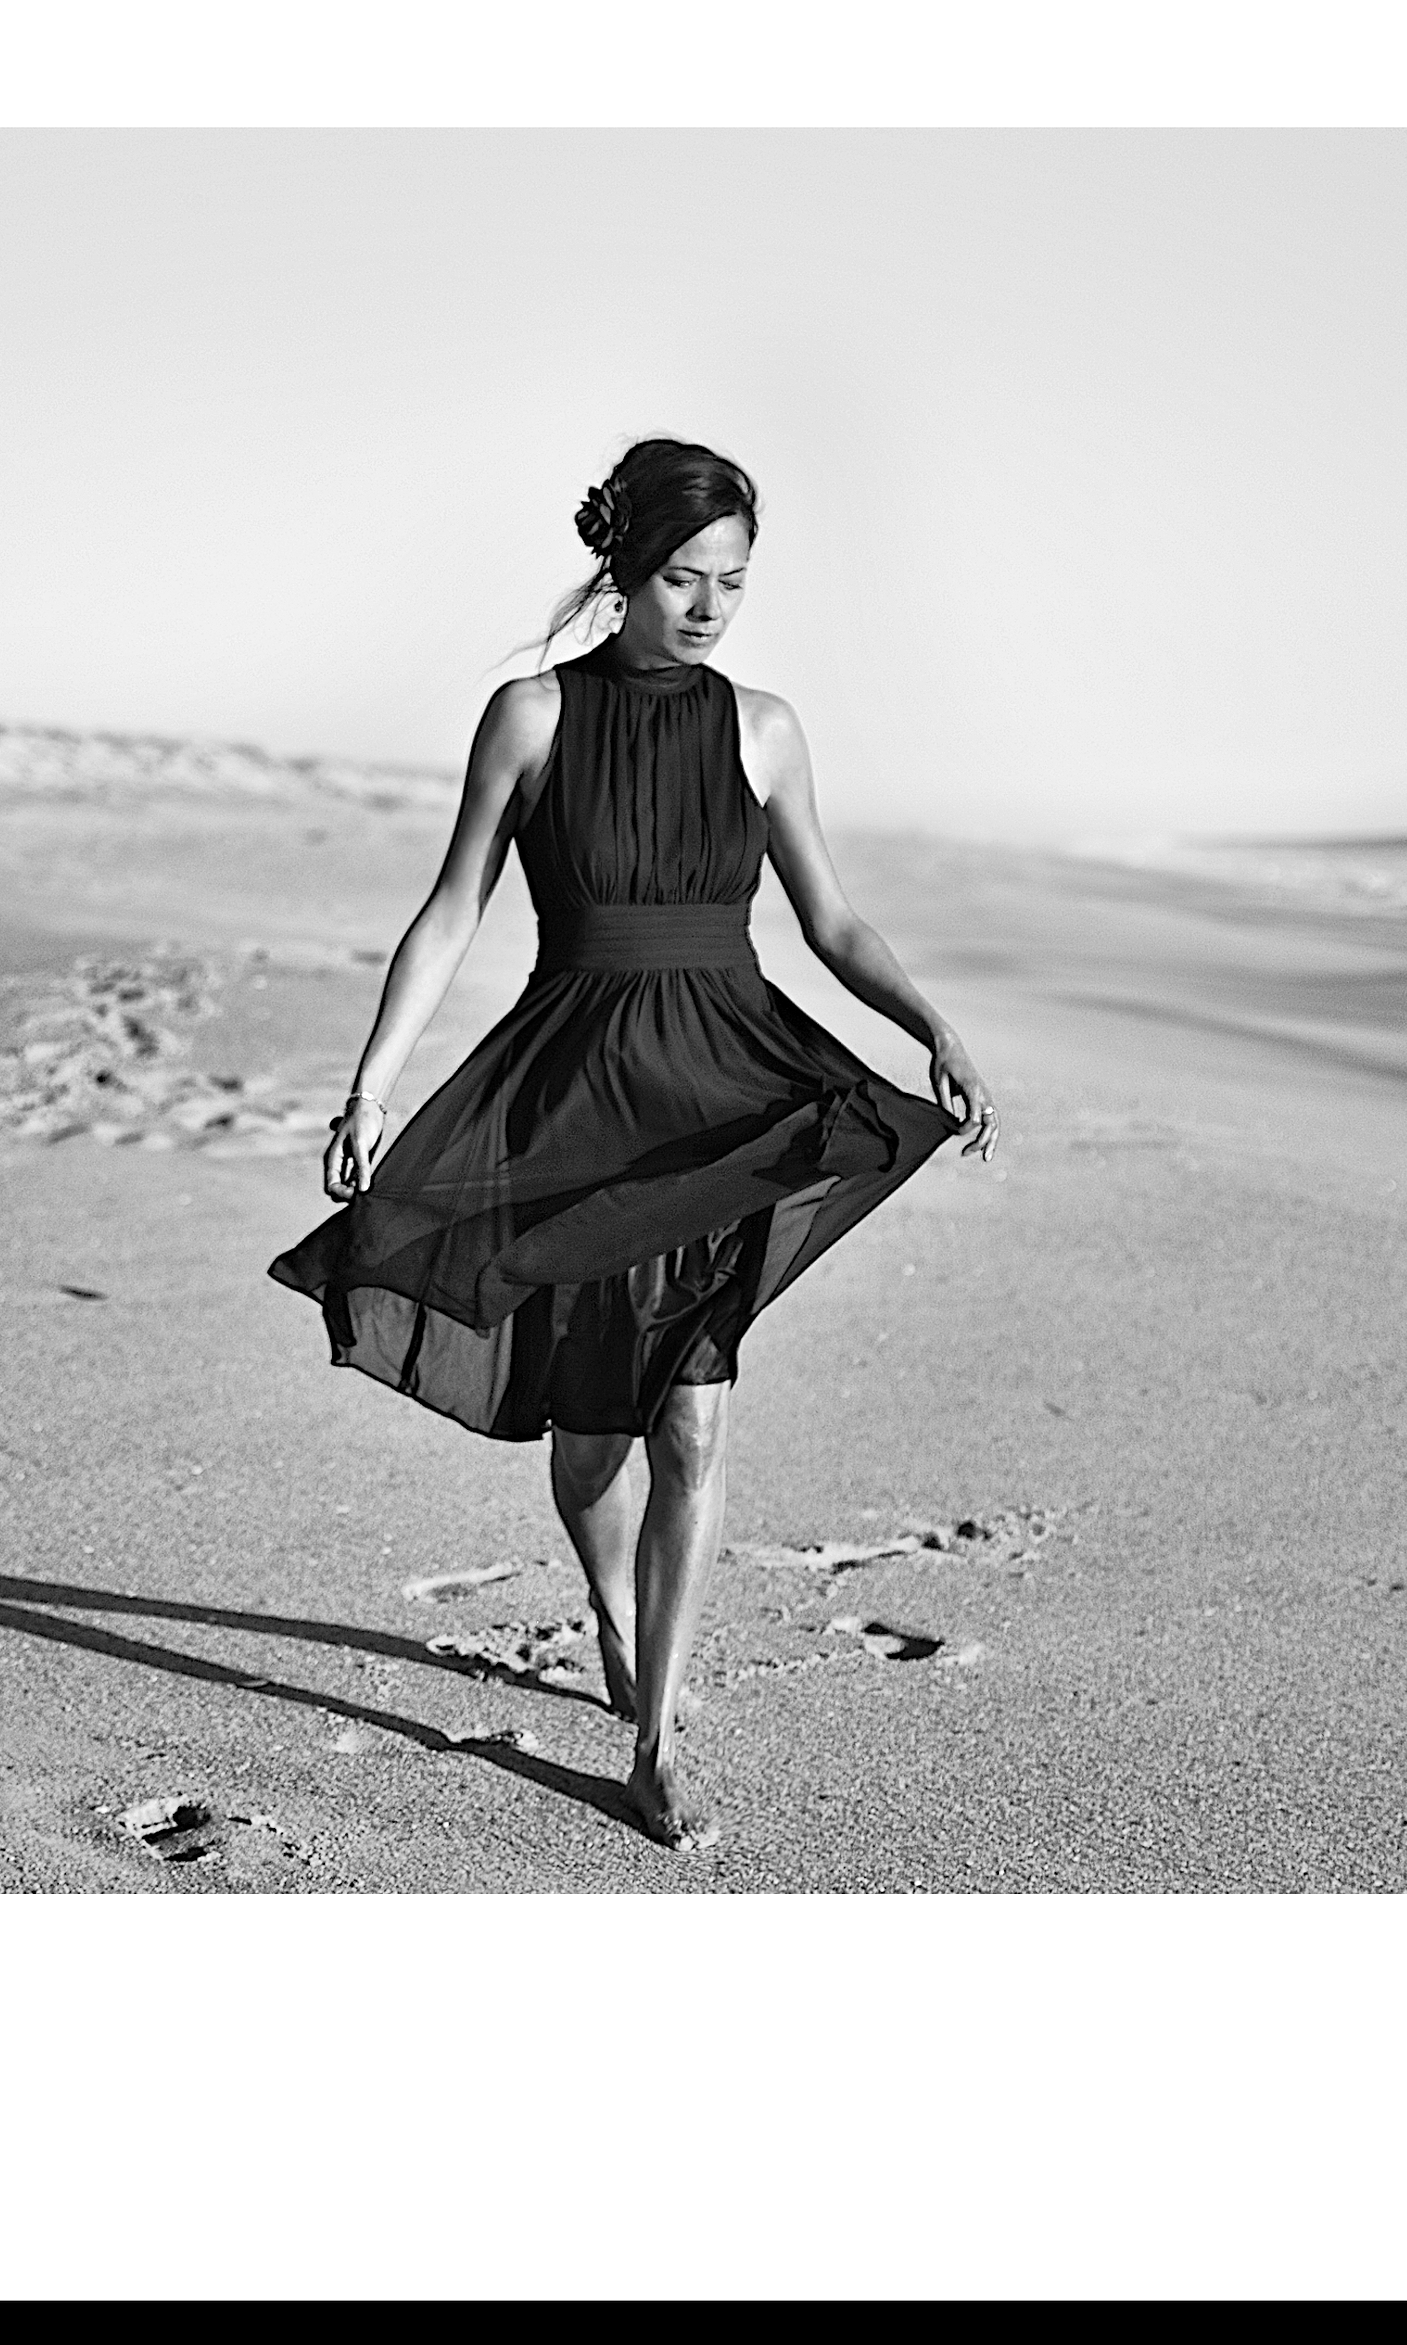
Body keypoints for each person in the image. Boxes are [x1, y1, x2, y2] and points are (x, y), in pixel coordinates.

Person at [267, 438, 1000, 1851]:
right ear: (624, 565)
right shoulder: (531, 714)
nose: (712, 606)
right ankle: (612, 1609)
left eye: (734, 580)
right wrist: (372, 1082)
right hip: (578, 1093)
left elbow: (831, 922)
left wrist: (933, 1026)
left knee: (695, 1408)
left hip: (726, 1094)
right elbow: (450, 909)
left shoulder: (765, 726)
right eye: (684, 576)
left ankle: (655, 1737)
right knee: (594, 1429)